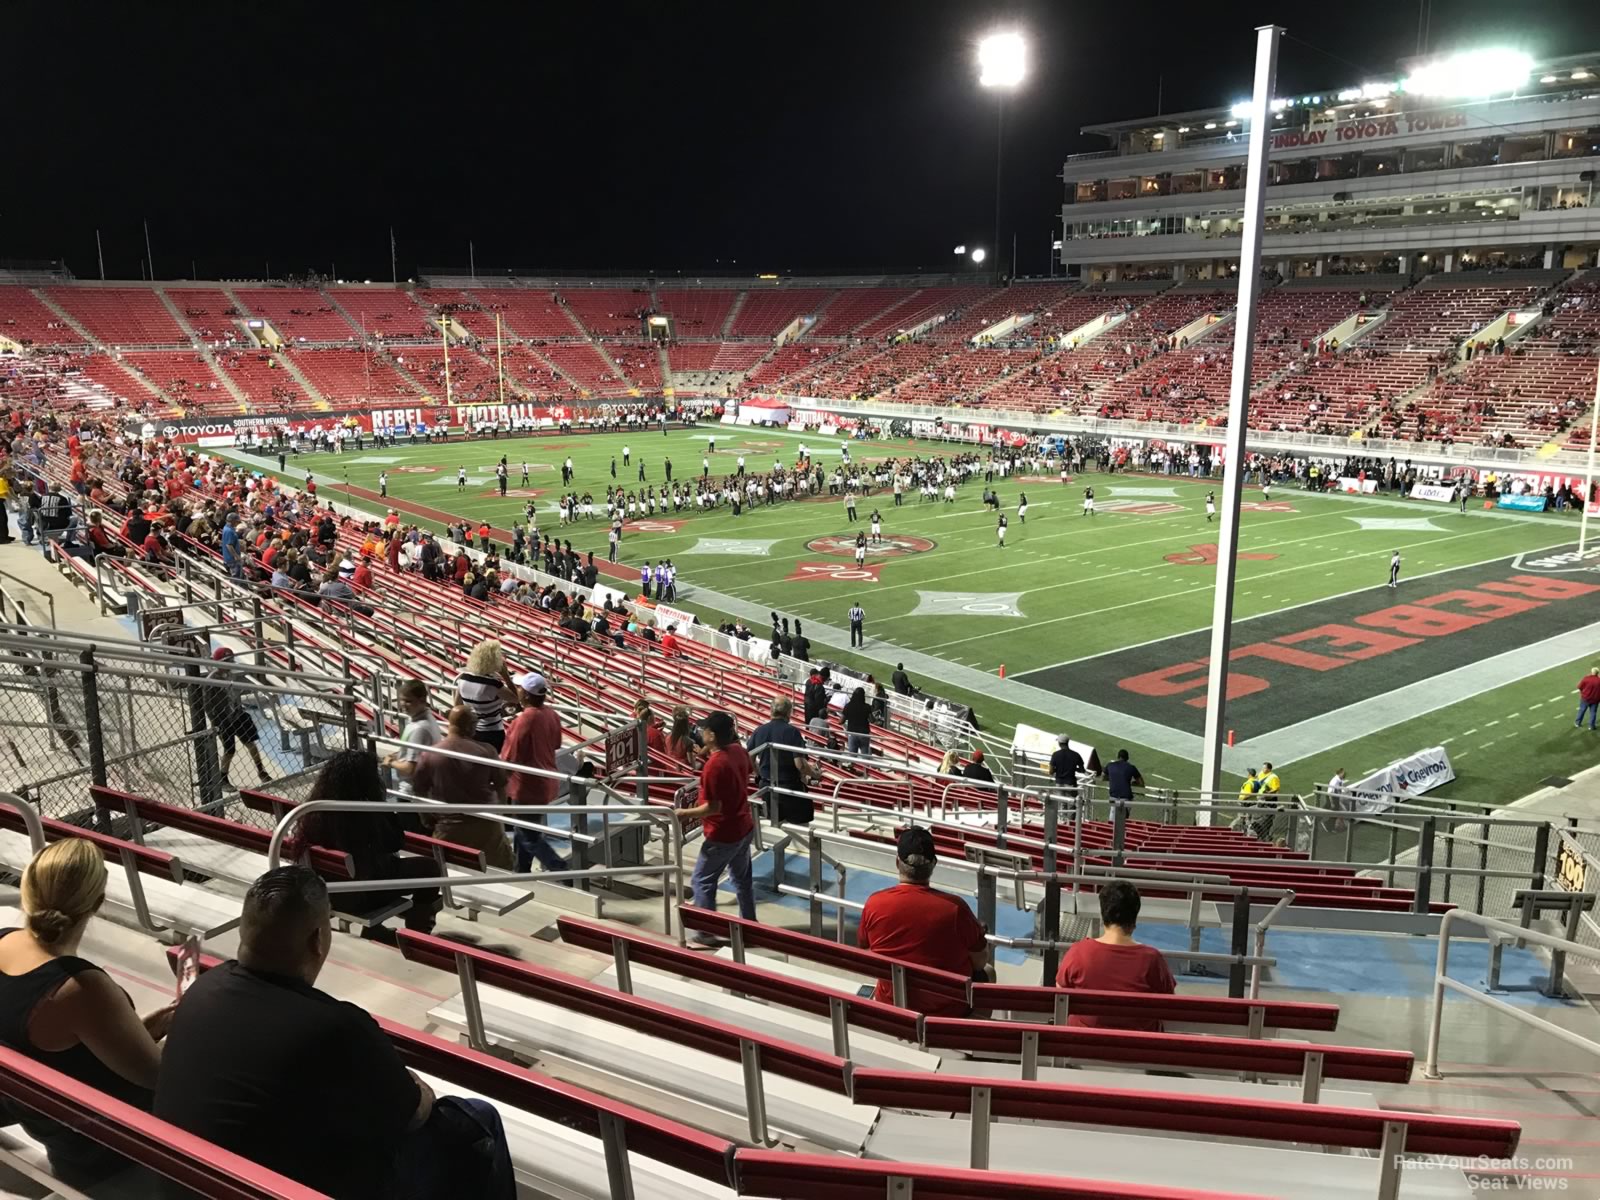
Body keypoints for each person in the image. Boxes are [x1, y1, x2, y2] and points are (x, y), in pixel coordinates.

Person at [155, 867, 514, 1200]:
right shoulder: (336, 1026)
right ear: (318, 939)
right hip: (289, 1188)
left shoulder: (200, 991)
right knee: (480, 1119)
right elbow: (414, 1114)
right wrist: (418, 1088)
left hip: (192, 1181)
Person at [0, 840, 171, 1188]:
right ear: (97, 903)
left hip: (54, 1126)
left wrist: (144, 1029)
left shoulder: (4, 942)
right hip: (109, 1152)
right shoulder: (80, 988)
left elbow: (67, 1051)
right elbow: (159, 1078)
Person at [289, 750, 441, 938]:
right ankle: (417, 936)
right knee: (430, 868)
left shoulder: (317, 809)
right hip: (362, 895)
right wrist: (382, 805)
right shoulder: (365, 809)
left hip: (328, 891)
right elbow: (395, 842)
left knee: (378, 864)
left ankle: (377, 929)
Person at [857, 826, 987, 1014]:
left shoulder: (874, 904)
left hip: (891, 1004)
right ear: (933, 864)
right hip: (948, 1010)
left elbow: (865, 950)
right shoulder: (956, 908)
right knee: (987, 972)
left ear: (897, 863)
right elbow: (979, 962)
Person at [677, 711, 756, 943]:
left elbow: (713, 807)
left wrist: (683, 813)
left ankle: (705, 930)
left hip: (723, 833)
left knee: (701, 880)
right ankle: (750, 925)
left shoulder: (714, 765)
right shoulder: (738, 751)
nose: (701, 732)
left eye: (704, 730)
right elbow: (747, 769)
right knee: (742, 880)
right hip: (744, 826)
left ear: (711, 735)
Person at [1055, 881, 1176, 1031]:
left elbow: (1060, 995)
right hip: (1137, 1049)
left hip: (1083, 1045)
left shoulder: (1078, 952)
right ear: (1134, 918)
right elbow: (1169, 1004)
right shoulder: (1152, 960)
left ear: (1103, 914)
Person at [412, 705, 513, 868]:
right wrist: (499, 813)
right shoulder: (487, 751)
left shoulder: (429, 754)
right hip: (487, 826)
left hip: (449, 828)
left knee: (446, 872)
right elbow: (502, 784)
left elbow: (418, 789)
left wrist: (426, 817)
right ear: (470, 726)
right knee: (501, 871)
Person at [501, 672, 568, 875]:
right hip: (547, 780)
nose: (517, 691)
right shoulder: (551, 714)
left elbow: (509, 757)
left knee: (528, 834)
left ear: (527, 695)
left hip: (527, 786)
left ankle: (561, 869)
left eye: (520, 688)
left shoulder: (523, 721)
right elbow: (556, 743)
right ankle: (520, 870)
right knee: (525, 829)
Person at [201, 648, 272, 785]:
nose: (229, 664)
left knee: (251, 743)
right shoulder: (212, 681)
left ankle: (261, 771)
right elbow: (208, 705)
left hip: (238, 714)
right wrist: (216, 722)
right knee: (229, 750)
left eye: (231, 661)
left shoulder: (231, 675)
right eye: (226, 661)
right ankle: (223, 778)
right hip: (223, 719)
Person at [746, 697, 816, 824]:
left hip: (766, 785)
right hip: (790, 787)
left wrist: (758, 772)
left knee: (775, 823)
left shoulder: (759, 730)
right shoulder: (792, 732)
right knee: (800, 827)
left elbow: (749, 756)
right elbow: (800, 765)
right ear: (789, 713)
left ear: (771, 711)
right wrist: (816, 774)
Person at [384, 679, 442, 797]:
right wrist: (397, 755)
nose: (402, 705)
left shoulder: (420, 729)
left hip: (412, 793)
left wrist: (390, 762)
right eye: (401, 700)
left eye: (408, 701)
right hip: (414, 790)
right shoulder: (417, 719)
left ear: (422, 700)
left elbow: (410, 768)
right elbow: (412, 753)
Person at [454, 638, 514, 751]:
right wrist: (506, 676)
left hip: (472, 730)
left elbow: (457, 705)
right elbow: (515, 699)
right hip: (493, 732)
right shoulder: (493, 684)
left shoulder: (463, 679)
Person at [1049, 734, 1085, 803]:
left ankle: (1063, 814)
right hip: (1070, 783)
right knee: (1073, 804)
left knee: (1062, 804)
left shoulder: (1055, 754)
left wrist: (1056, 770)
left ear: (1059, 743)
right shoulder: (1076, 755)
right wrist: (1074, 769)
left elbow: (1051, 771)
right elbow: (1082, 770)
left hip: (1059, 783)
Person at [841, 686, 872, 758]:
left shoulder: (848, 706)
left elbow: (841, 721)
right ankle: (865, 768)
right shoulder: (867, 707)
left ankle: (852, 768)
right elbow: (872, 720)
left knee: (852, 757)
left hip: (852, 733)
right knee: (865, 757)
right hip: (864, 734)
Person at [1577, 667, 1600, 731]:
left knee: (1582, 710)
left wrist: (1583, 693)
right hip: (1595, 700)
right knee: (1593, 712)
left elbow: (1579, 687)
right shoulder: (1599, 680)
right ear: (1598, 673)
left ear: (1591, 672)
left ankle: (1578, 723)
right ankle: (1591, 726)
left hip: (1585, 698)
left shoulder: (1586, 678)